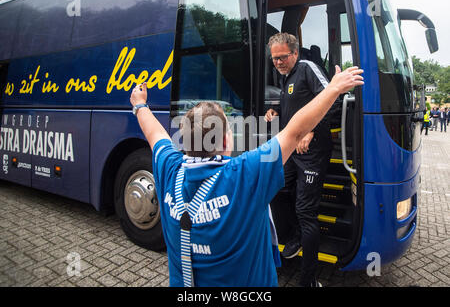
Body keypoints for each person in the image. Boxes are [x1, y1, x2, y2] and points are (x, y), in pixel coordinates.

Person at [130, 65, 363, 287]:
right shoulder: (243, 174)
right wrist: (333, 89)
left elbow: (154, 134)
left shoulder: (170, 169)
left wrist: (140, 105)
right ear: (225, 141)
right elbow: (295, 131)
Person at [265, 33, 338, 287]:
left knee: (306, 211)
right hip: (290, 150)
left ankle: (309, 280)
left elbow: (332, 97)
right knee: (277, 188)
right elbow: (296, 108)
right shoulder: (284, 77)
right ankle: (294, 236)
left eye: (283, 57)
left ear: (295, 53)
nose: (278, 63)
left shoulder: (307, 68)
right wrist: (276, 110)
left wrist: (312, 130)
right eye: (275, 59)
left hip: (312, 152)